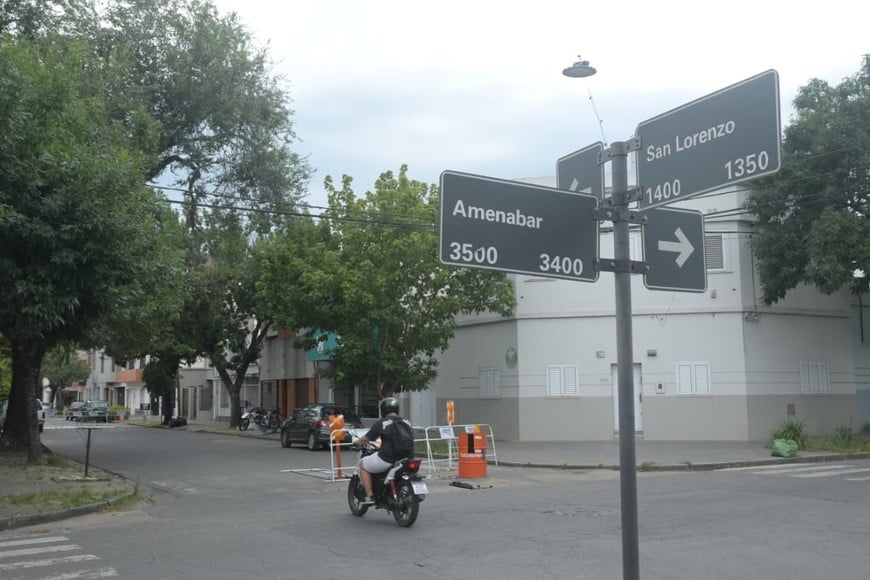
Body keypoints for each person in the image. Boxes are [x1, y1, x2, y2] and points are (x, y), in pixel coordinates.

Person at [353, 397, 414, 505]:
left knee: (362, 465)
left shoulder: (381, 423)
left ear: (383, 409)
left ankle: (370, 496)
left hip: (388, 459)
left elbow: (366, 438)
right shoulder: (407, 421)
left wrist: (357, 442)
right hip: (407, 458)